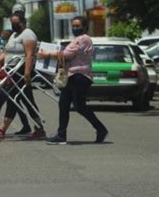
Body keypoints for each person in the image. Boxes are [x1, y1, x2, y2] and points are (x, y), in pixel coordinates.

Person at [38, 16, 108, 145]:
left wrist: (46, 54)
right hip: (72, 76)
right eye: (73, 26)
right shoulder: (76, 40)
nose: (75, 28)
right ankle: (61, 135)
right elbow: (64, 53)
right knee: (63, 104)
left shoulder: (83, 39)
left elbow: (66, 55)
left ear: (85, 27)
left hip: (80, 76)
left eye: (78, 26)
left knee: (79, 106)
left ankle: (101, 129)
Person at [0, 13, 46, 141]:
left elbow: (29, 55)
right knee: (28, 102)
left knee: (13, 99)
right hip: (11, 72)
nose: (13, 25)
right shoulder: (14, 35)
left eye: (15, 23)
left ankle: (1, 131)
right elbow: (6, 53)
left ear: (23, 22)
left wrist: (27, 74)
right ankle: (40, 129)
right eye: (12, 23)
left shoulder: (28, 34)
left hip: (21, 71)